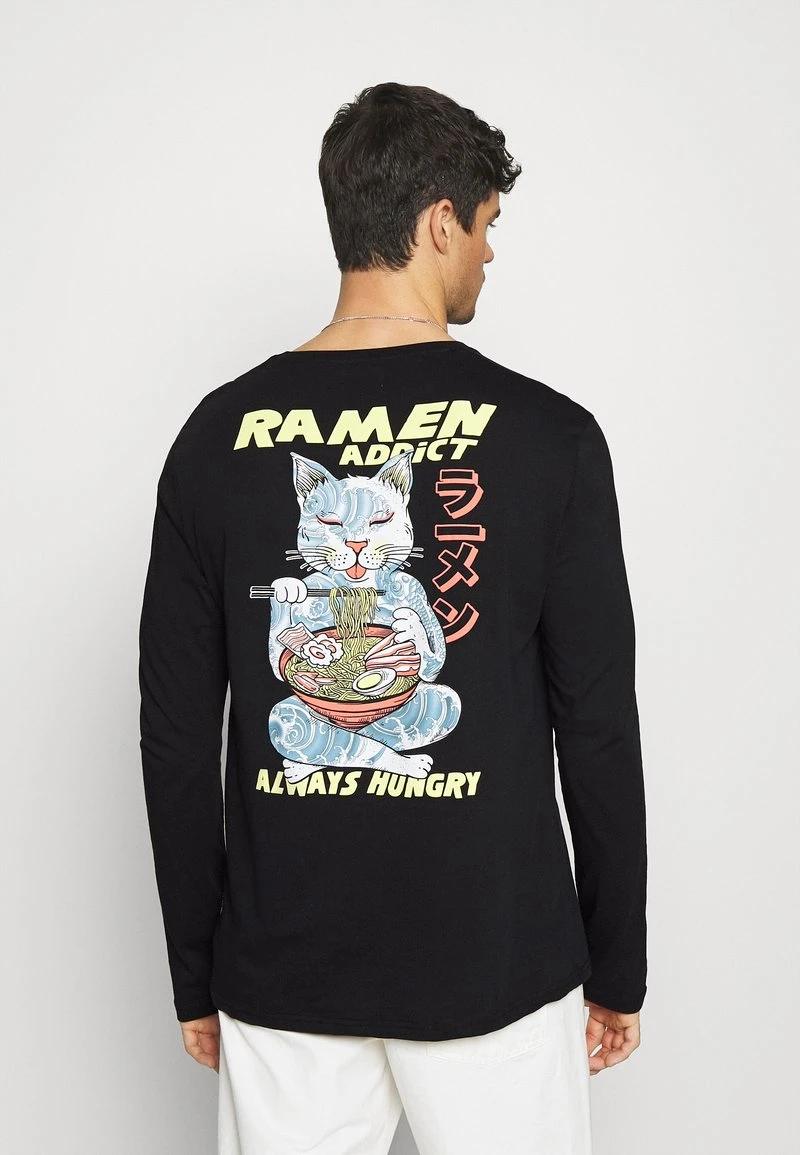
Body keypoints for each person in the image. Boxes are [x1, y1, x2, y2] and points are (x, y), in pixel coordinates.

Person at [139, 81, 647, 1155]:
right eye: (487, 225)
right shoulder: (550, 438)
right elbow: (597, 724)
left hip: (281, 968)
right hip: (497, 958)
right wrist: (618, 963)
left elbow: (176, 740)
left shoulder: (212, 437)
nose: (490, 254)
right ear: (438, 222)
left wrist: (198, 970)